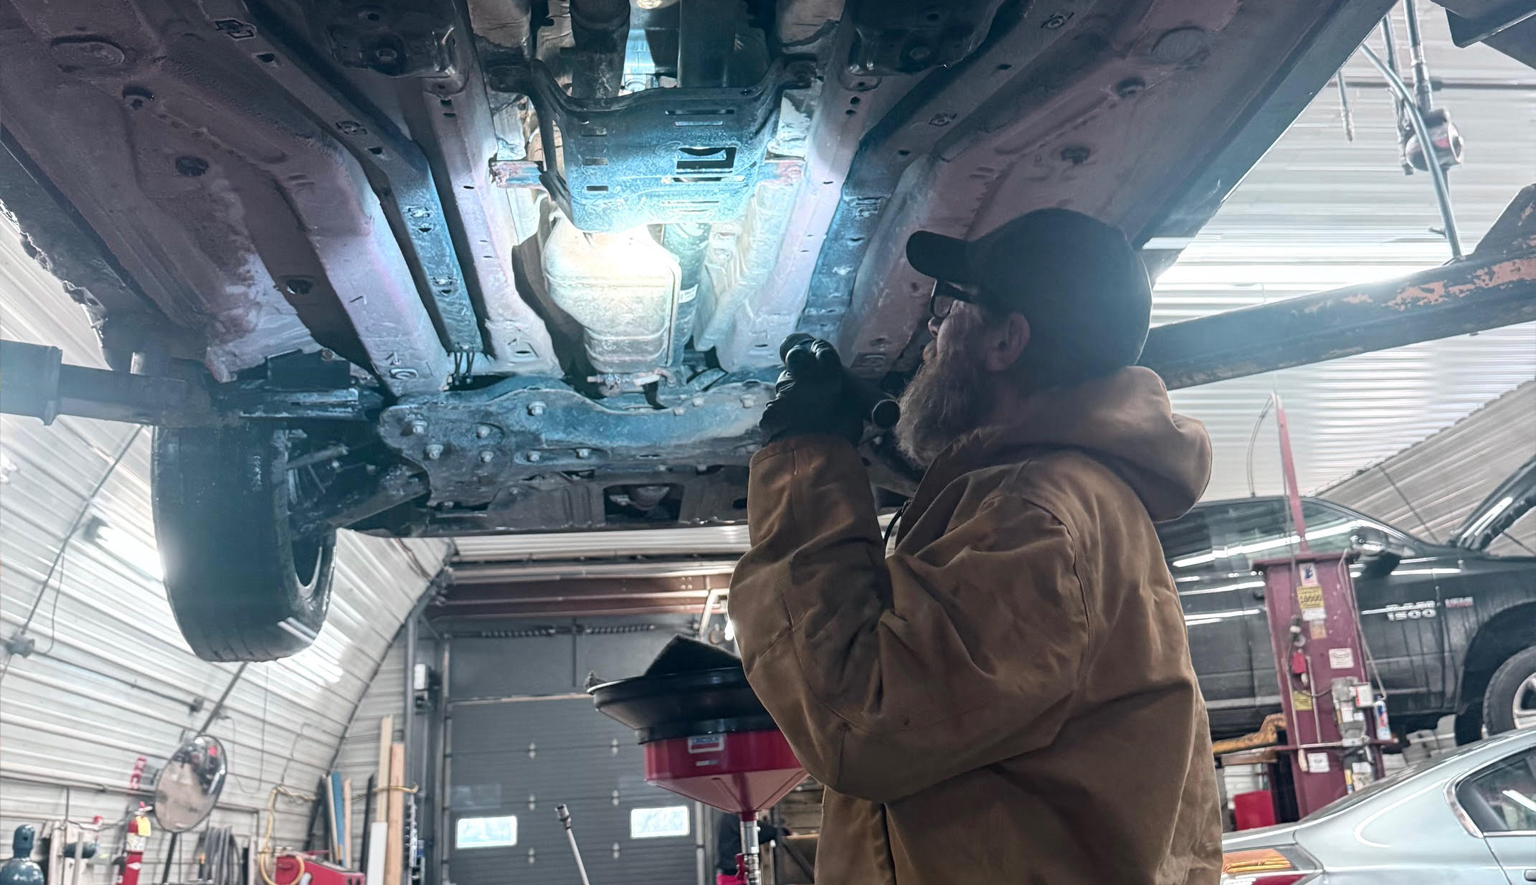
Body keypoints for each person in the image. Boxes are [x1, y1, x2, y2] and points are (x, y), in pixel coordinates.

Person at [729, 208, 1222, 885]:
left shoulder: (1036, 518)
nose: (931, 328)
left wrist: (806, 463)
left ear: (1005, 342)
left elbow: (862, 718)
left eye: (948, 306)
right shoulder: (1047, 496)